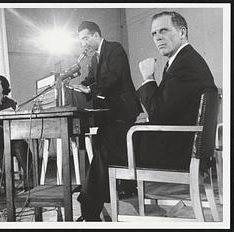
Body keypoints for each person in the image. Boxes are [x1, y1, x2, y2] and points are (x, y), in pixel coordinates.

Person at [70, 21, 143, 221]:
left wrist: (90, 89)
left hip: (124, 113)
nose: (84, 43)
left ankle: (90, 204)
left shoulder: (114, 49)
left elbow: (113, 77)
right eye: (81, 40)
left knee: (102, 153)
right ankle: (97, 201)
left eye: (85, 38)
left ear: (96, 35)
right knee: (100, 150)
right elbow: (90, 79)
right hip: (109, 114)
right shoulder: (94, 59)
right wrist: (77, 86)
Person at [136, 11, 217, 170]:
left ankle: (112, 192)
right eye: (154, 34)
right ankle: (120, 190)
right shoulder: (183, 60)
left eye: (163, 30)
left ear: (182, 32)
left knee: (106, 140)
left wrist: (148, 78)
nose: (157, 37)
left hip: (176, 152)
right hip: (177, 145)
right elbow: (171, 110)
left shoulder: (185, 64)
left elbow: (159, 114)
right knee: (109, 140)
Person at [0, 75, 33, 190]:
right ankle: (8, 186)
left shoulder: (11, 102)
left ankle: (30, 182)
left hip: (12, 136)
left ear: (3, 87)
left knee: (21, 146)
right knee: (5, 150)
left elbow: (19, 121)